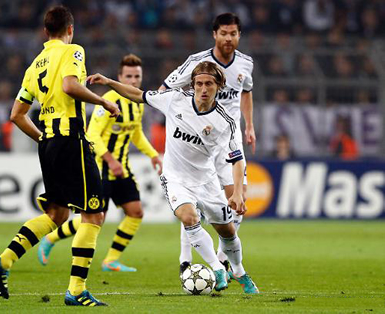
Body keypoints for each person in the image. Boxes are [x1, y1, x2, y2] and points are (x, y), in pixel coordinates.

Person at [0, 5, 120, 307]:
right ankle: (76, 290)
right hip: (71, 139)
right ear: (70, 30)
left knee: (57, 214)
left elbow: (17, 114)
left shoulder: (34, 65)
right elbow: (70, 86)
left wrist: (43, 137)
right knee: (94, 214)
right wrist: (104, 103)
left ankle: (3, 261)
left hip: (49, 143)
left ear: (46, 32)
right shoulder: (74, 51)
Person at [87, 61, 259, 294]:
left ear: (218, 86)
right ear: (193, 84)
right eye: (198, 83)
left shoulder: (225, 121)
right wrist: (108, 82)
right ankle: (217, 268)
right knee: (188, 218)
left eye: (209, 83)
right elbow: (137, 94)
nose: (203, 89)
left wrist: (238, 191)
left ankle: (238, 271)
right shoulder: (175, 99)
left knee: (228, 232)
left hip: (206, 181)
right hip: (176, 177)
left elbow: (237, 160)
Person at [37, 54, 162, 272]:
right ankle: (51, 238)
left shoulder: (138, 103)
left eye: (137, 77)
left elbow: (136, 133)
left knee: (136, 212)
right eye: (129, 76)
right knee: (95, 218)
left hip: (121, 169)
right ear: (119, 77)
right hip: (100, 169)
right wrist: (111, 160)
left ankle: (110, 260)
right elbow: (92, 135)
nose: (133, 81)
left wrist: (153, 154)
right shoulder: (108, 101)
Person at [160, 13, 255, 278]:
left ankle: (223, 262)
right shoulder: (197, 64)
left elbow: (246, 92)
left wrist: (249, 125)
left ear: (239, 35)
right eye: (223, 33)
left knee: (238, 200)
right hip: (199, 141)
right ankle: (186, 258)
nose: (228, 38)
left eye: (233, 33)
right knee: (193, 201)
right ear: (214, 34)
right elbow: (165, 88)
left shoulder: (246, 64)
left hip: (227, 141)